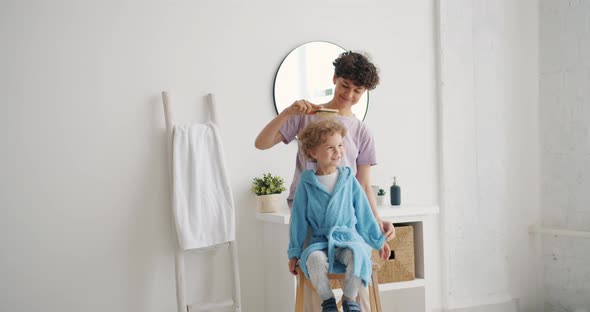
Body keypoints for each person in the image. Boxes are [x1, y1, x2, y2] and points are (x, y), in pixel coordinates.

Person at [255, 50, 394, 310]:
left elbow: (362, 185)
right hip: (309, 215)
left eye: (358, 91)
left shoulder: (362, 133)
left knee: (358, 275)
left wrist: (376, 221)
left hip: (346, 217)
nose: (350, 95)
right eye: (345, 86)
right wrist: (287, 112)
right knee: (313, 279)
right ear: (334, 78)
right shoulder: (306, 116)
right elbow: (261, 143)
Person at [287, 119, 386, 312]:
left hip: (348, 238)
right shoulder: (306, 184)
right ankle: (328, 301)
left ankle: (350, 300)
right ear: (314, 153)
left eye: (340, 145)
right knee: (314, 260)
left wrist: (378, 240)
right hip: (319, 241)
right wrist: (294, 252)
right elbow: (298, 221)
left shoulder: (348, 179)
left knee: (358, 255)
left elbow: (364, 213)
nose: (338, 151)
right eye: (330, 148)